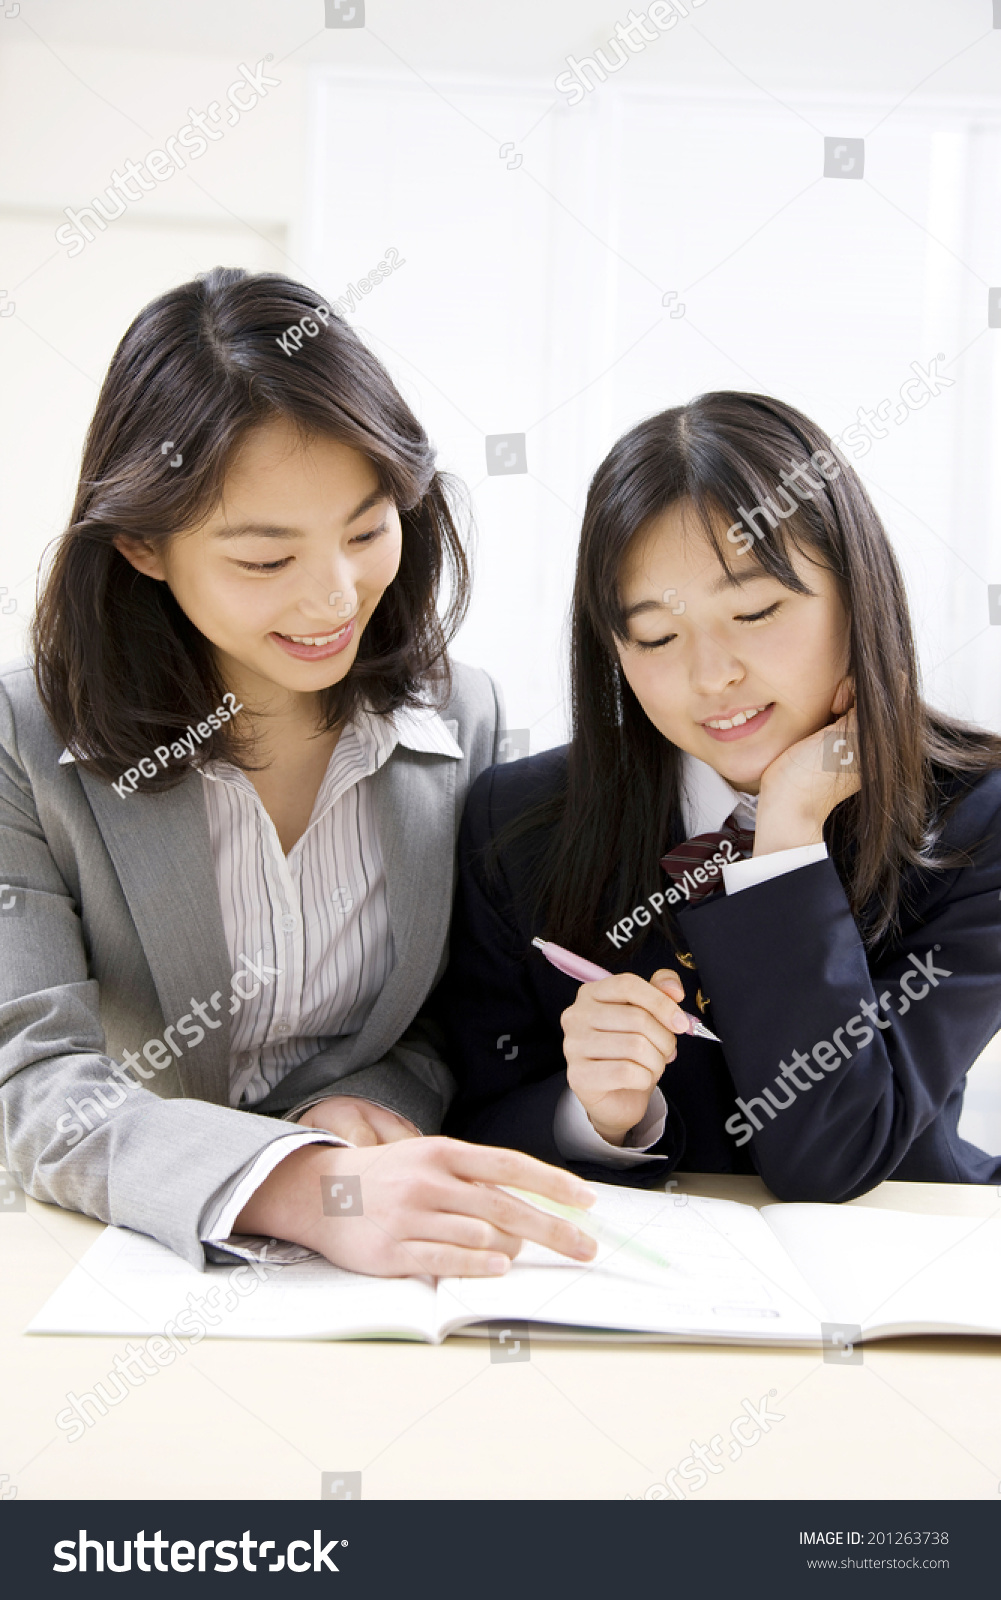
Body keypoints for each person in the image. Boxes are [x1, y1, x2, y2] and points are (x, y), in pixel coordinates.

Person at [0, 266, 598, 1277]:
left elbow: (456, 1016)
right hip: (104, 1260)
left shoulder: (465, 718)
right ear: (142, 545)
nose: (335, 597)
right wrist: (305, 1185)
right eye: (264, 559)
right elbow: (31, 1080)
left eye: (366, 531)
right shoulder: (22, 740)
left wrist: (358, 1109)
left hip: (372, 1263)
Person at [437, 391, 1001, 1200]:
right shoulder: (516, 823)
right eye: (657, 636)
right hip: (628, 1264)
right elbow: (469, 1116)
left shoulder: (975, 821)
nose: (711, 676)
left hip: (899, 1255)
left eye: (755, 611)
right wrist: (597, 1117)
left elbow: (835, 1153)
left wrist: (788, 832)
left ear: (857, 596)